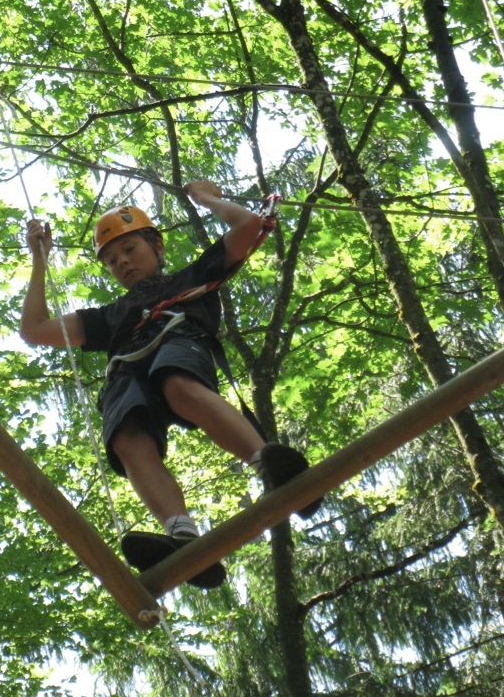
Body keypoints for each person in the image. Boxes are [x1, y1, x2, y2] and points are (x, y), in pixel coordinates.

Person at [19, 180, 320, 588]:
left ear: (157, 246)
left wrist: (207, 198)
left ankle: (266, 463)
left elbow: (250, 226)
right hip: (127, 368)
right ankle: (181, 533)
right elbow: (35, 329)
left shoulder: (192, 277)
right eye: (112, 261)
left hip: (179, 340)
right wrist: (39, 260)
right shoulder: (108, 317)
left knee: (176, 383)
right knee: (126, 436)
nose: (122, 262)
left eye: (130, 249)